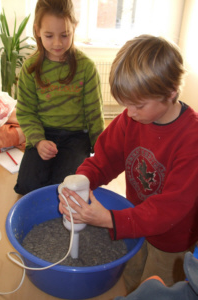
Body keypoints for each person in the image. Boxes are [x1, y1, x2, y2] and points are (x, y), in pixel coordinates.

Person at [59, 34, 198, 294]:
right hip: (136, 218)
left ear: (171, 92)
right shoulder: (131, 120)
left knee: (156, 289)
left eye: (138, 105)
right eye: (126, 104)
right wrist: (81, 182)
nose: (129, 113)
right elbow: (104, 159)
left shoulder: (192, 139)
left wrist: (110, 219)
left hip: (172, 239)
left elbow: (170, 209)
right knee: (133, 277)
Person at [14, 0, 104, 195]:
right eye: (49, 35)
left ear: (74, 27)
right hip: (43, 133)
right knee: (28, 187)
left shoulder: (86, 67)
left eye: (65, 35)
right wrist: (38, 141)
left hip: (76, 136)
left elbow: (94, 113)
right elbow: (26, 112)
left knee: (67, 186)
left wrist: (100, 150)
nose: (57, 43)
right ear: (37, 30)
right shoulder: (30, 69)